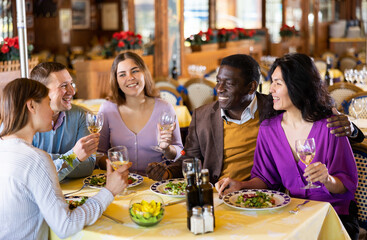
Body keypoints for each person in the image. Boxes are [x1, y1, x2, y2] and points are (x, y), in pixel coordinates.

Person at [146, 54, 364, 183]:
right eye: (218, 81)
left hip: (266, 195)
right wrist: (167, 171)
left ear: (251, 87)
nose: (219, 89)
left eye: (228, 84)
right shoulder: (202, 116)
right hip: (218, 193)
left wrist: (351, 129)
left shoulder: (275, 107)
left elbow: (318, 115)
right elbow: (190, 159)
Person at [215, 53, 359, 239]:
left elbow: (347, 185)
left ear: (297, 86)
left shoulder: (330, 126)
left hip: (333, 216)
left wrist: (327, 179)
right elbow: (266, 179)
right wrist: (241, 185)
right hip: (293, 214)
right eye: (271, 82)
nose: (271, 89)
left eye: (278, 83)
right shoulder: (269, 129)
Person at [0, 78, 131, 240]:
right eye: (48, 103)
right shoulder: (36, 160)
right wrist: (109, 191)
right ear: (31, 106)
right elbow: (65, 225)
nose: (52, 110)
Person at [97, 51, 183, 175]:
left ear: (144, 73)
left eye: (135, 71)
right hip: (120, 184)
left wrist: (167, 148)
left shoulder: (165, 108)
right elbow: (99, 153)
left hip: (155, 185)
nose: (130, 77)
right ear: (116, 81)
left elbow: (180, 152)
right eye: (122, 74)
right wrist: (113, 166)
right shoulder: (107, 109)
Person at [30, 62, 99, 181]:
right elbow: (28, 171)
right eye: (63, 86)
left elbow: (88, 166)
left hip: (75, 195)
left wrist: (42, 160)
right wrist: (74, 156)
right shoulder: (20, 119)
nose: (72, 91)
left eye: (71, 84)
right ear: (41, 91)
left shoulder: (81, 115)